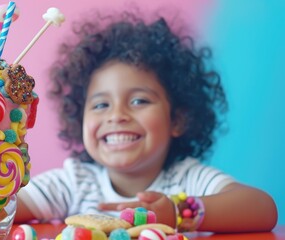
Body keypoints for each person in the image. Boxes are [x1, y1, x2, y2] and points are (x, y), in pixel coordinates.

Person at [14, 9, 278, 233]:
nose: (116, 115)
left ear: (178, 119)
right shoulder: (73, 184)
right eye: (101, 105)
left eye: (139, 101)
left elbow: (263, 209)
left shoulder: (187, 179)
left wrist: (177, 212)